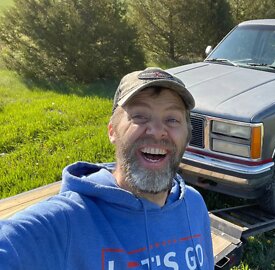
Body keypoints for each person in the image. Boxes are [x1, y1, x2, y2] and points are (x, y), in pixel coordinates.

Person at [0, 67, 214, 269]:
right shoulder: (67, 221)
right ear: (112, 131)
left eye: (172, 119)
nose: (157, 131)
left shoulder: (193, 204)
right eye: (139, 116)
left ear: (187, 137)